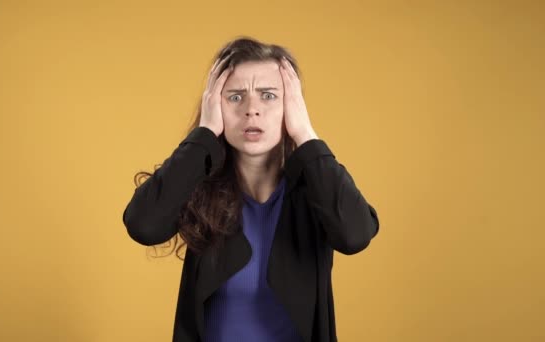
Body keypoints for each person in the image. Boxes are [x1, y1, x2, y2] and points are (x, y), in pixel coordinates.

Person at [122, 36, 380, 342]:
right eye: (235, 97)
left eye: (268, 96)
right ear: (214, 105)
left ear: (292, 106)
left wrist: (306, 134)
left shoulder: (315, 187)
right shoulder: (196, 183)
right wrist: (204, 134)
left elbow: (355, 235)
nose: (251, 110)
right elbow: (143, 225)